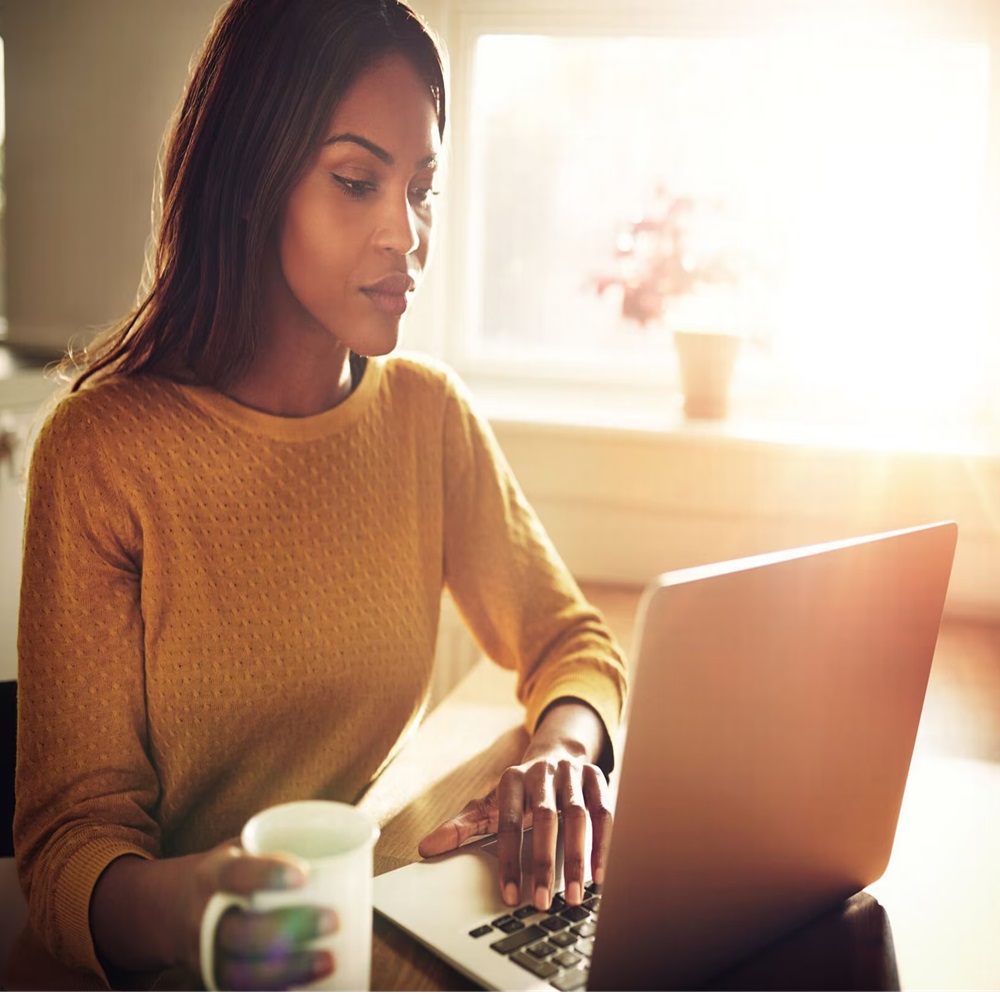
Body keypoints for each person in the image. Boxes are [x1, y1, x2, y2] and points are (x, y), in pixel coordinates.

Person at [8, 0, 628, 990]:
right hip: (197, 967)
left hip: (372, 932)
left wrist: (560, 754)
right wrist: (201, 910)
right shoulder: (102, 453)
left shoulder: (427, 417)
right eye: (355, 181)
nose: (406, 232)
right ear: (252, 182)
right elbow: (65, 850)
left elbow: (573, 644)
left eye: (421, 189)